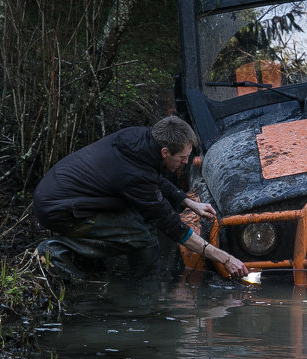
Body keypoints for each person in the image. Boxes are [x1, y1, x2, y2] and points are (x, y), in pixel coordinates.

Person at [32, 116, 247, 280]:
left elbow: (152, 178)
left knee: (140, 224)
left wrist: (188, 202)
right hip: (61, 211)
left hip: (65, 197)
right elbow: (174, 228)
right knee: (140, 234)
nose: (185, 163)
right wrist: (225, 258)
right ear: (165, 152)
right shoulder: (135, 177)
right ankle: (56, 249)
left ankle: (135, 277)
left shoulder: (140, 138)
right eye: (182, 158)